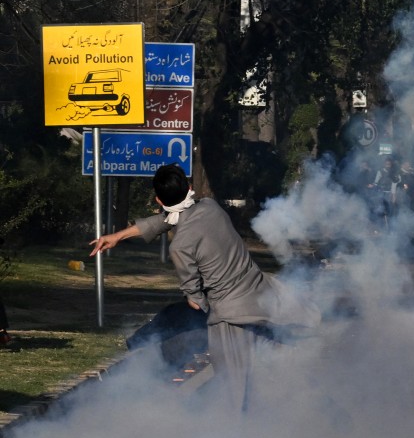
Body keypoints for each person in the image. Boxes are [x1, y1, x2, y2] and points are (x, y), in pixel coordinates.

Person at [89, 164, 319, 412]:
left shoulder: (180, 246)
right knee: (293, 351)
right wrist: (119, 236)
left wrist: (201, 307)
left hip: (232, 316)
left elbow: (195, 301)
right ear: (189, 188)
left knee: (235, 392)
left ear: (158, 199)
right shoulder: (211, 207)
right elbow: (169, 219)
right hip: (264, 294)